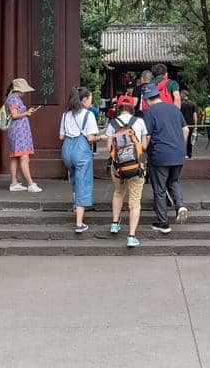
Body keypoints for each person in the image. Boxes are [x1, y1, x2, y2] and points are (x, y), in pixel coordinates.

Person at [142, 85, 190, 233]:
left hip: (160, 154)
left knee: (160, 188)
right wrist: (181, 147)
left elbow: (148, 136)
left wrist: (143, 149)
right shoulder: (174, 108)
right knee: (173, 181)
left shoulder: (150, 112)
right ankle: (180, 205)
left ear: (147, 99)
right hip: (178, 153)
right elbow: (186, 130)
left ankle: (163, 223)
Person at [59, 87, 103, 233]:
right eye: (90, 98)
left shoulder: (66, 114)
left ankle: (75, 205)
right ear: (84, 100)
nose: (91, 101)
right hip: (81, 149)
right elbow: (90, 138)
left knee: (74, 178)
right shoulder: (88, 114)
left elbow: (61, 136)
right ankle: (79, 223)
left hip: (67, 149)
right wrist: (101, 137)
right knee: (83, 182)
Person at [106, 95, 148, 247]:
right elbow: (143, 147)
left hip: (118, 167)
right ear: (132, 107)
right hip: (136, 166)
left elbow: (109, 148)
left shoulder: (112, 123)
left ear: (119, 107)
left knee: (118, 192)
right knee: (135, 201)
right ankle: (131, 236)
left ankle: (115, 224)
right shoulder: (140, 122)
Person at [5, 78, 41, 193]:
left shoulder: (14, 99)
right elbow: (15, 115)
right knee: (24, 157)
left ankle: (14, 183)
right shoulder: (13, 99)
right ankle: (30, 184)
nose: (25, 92)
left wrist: (27, 112)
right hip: (18, 132)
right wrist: (26, 113)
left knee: (15, 157)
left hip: (18, 131)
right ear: (18, 89)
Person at [179, 89, 198, 159]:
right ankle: (189, 154)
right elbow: (194, 115)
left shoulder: (181, 104)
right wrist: (195, 125)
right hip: (191, 124)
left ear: (183, 94)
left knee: (182, 139)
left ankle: (182, 153)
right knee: (190, 139)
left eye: (181, 94)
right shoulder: (193, 104)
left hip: (183, 124)